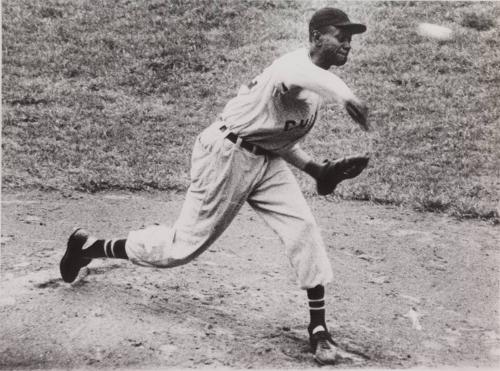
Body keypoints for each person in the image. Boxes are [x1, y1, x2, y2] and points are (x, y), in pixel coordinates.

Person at [60, 7, 370, 365]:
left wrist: (316, 169)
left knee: (303, 228)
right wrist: (348, 96)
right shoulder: (293, 67)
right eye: (339, 34)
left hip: (264, 161)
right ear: (316, 36)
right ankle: (87, 247)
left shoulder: (312, 90)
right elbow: (309, 82)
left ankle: (319, 330)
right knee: (179, 249)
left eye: (351, 36)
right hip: (225, 156)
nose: (347, 42)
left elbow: (273, 137)